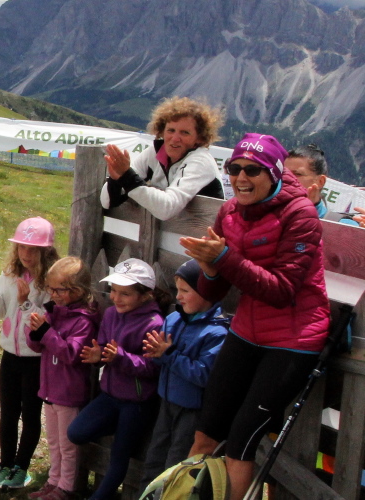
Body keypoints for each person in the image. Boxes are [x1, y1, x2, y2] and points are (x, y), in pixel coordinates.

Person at [180, 133, 329, 500]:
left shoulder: (301, 214)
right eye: (234, 169)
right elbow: (214, 292)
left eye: (252, 170)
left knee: (241, 442)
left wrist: (223, 258)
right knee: (205, 433)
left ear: (274, 172)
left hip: (294, 339)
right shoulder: (229, 212)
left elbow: (282, 291)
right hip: (246, 330)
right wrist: (210, 269)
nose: (241, 178)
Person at [0, 217, 60, 490]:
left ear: (45, 252)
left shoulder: (50, 282)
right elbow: (0, 311)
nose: (25, 254)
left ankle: (22, 468)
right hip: (10, 354)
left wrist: (25, 302)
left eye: (32, 249)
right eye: (21, 247)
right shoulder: (10, 274)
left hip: (36, 359)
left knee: (30, 415)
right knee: (8, 414)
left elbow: (45, 321)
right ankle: (5, 464)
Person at [67, 258, 166, 500]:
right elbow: (104, 348)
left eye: (125, 294)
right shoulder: (111, 314)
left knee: (119, 456)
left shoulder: (154, 324)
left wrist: (119, 357)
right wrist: (99, 355)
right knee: (76, 432)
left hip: (136, 402)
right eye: (113, 290)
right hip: (111, 395)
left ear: (145, 295)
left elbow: (153, 368)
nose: (116, 298)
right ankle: (123, 428)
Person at [138, 258, 228, 494]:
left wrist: (168, 355)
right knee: (154, 458)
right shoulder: (173, 319)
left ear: (206, 292)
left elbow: (204, 374)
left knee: (176, 465)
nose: (178, 297)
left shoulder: (217, 333)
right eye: (178, 290)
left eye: (185, 291)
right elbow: (161, 358)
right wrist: (155, 353)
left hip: (191, 411)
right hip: (166, 403)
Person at [26, 257, 99, 500]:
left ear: (77, 290)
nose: (53, 295)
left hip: (69, 393)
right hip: (50, 390)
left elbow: (71, 353)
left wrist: (46, 332)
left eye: (59, 290)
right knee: (54, 443)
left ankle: (66, 487)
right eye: (51, 289)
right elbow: (38, 347)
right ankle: (53, 481)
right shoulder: (55, 313)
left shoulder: (83, 321)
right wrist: (35, 332)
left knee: (68, 446)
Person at [100, 97, 225, 221]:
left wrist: (126, 176)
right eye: (171, 130)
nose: (175, 138)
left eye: (185, 133)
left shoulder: (200, 161)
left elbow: (166, 209)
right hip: (166, 232)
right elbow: (107, 202)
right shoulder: (154, 153)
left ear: (200, 138)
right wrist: (117, 178)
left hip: (200, 232)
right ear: (161, 132)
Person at [285, 144, 363, 226]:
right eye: (284, 173)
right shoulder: (275, 214)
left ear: (320, 181)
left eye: (298, 174)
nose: (287, 178)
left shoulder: (344, 225)